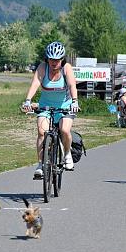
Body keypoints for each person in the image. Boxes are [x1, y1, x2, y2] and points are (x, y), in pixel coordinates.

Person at [22, 41, 79, 178]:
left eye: (57, 60)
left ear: (62, 59)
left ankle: (67, 154)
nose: (54, 63)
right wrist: (28, 100)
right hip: (45, 106)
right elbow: (35, 83)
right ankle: (41, 164)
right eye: (51, 59)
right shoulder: (43, 68)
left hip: (65, 107)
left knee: (64, 130)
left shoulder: (66, 68)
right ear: (47, 59)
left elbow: (72, 86)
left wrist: (75, 101)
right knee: (42, 132)